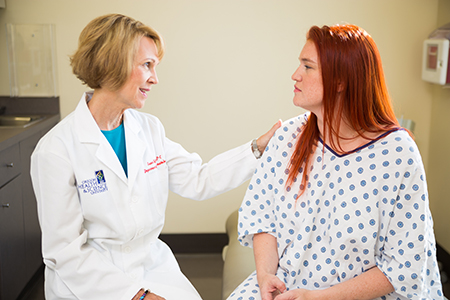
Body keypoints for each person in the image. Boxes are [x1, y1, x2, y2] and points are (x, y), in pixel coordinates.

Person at [30, 13, 281, 300]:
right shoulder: (56, 150)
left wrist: (259, 148)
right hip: (89, 284)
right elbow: (66, 253)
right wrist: (138, 296)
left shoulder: (148, 129)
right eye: (147, 65)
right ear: (114, 63)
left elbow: (198, 179)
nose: (155, 78)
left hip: (151, 268)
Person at [228, 24, 444, 300]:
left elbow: (403, 267)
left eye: (307, 67)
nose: (295, 75)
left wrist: (317, 297)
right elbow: (262, 218)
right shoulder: (287, 138)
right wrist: (266, 276)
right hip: (288, 286)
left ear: (341, 81)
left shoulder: (397, 154)